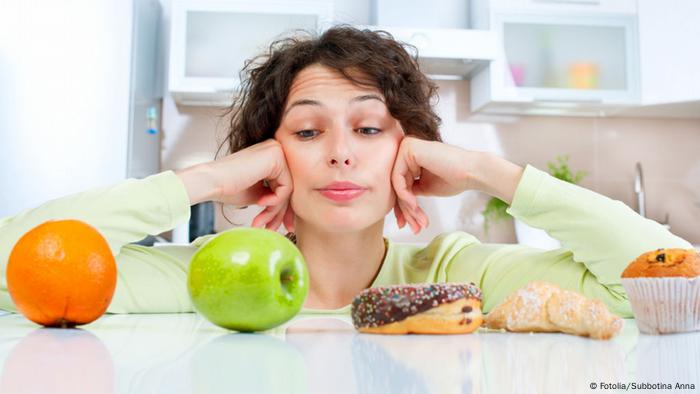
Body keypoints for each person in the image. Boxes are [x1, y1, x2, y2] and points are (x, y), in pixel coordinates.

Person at [0, 26, 691, 317]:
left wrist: (489, 171)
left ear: (409, 157)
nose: (339, 153)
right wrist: (203, 180)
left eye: (369, 129)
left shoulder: (458, 274)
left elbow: (671, 286)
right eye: (306, 131)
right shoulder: (207, 279)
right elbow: (16, 272)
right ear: (270, 159)